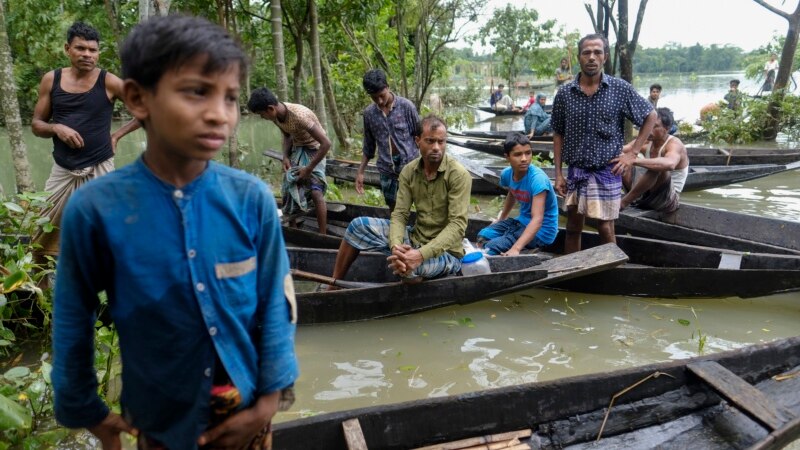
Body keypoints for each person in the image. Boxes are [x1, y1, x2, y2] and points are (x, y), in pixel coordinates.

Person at [51, 15, 298, 450]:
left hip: (248, 417)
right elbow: (73, 320)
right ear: (138, 98)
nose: (219, 114)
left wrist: (268, 402)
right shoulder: (94, 211)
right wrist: (88, 411)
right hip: (160, 421)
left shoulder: (251, 198)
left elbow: (277, 303)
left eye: (230, 98)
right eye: (197, 92)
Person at [31, 21, 140, 259]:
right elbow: (37, 125)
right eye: (81, 48)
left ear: (98, 52)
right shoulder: (52, 79)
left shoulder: (109, 81)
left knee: (108, 232)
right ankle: (39, 290)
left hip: (100, 166)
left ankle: (110, 290)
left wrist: (117, 135)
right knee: (43, 230)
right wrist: (57, 127)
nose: (87, 55)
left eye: (93, 50)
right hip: (63, 168)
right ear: (67, 49)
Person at [328, 115, 472, 286]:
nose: (436, 147)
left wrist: (419, 255)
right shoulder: (409, 171)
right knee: (357, 226)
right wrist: (396, 246)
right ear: (417, 141)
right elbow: (400, 214)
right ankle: (333, 283)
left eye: (441, 142)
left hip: (447, 253)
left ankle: (414, 289)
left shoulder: (458, 175)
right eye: (430, 141)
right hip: (415, 237)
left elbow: (457, 226)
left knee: (409, 267)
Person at [551, 33, 657, 254]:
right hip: (577, 170)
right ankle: (573, 268)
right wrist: (559, 173)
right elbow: (558, 134)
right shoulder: (564, 93)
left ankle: (612, 268)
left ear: (605, 57)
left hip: (608, 169)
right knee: (573, 226)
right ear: (579, 58)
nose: (592, 57)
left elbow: (650, 116)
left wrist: (633, 153)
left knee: (605, 226)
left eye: (597, 52)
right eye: (586, 52)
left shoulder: (619, 89)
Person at [247, 87, 331, 234]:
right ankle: (293, 228)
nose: (262, 118)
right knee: (289, 185)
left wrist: (309, 169)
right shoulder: (276, 116)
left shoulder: (299, 116)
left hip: (315, 148)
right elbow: (287, 136)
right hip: (298, 147)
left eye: (261, 115)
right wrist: (285, 156)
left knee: (316, 192)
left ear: (270, 108)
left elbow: (326, 143)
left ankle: (322, 234)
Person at [476, 133, 558, 256]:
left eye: (528, 153)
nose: (524, 158)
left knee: (490, 248)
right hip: (521, 222)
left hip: (542, 232)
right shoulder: (506, 174)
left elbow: (537, 219)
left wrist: (516, 248)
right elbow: (512, 193)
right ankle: (513, 242)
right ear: (507, 157)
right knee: (482, 236)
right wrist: (501, 218)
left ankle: (521, 247)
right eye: (518, 154)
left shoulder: (538, 179)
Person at [357, 69, 420, 211]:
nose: (379, 101)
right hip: (387, 170)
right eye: (374, 97)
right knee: (394, 208)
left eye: (382, 95)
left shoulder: (406, 107)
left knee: (420, 206)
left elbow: (420, 137)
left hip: (411, 167)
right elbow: (369, 146)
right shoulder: (369, 114)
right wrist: (360, 172)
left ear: (387, 87)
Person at [616, 108, 689, 213]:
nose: (649, 130)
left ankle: (624, 202)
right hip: (645, 195)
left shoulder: (675, 144)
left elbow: (670, 164)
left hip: (666, 200)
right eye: (648, 126)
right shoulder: (645, 141)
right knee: (621, 158)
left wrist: (634, 160)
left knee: (658, 167)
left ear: (667, 128)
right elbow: (621, 150)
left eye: (655, 126)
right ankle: (629, 198)